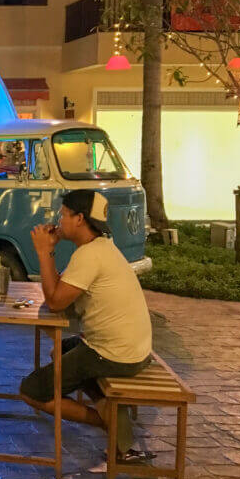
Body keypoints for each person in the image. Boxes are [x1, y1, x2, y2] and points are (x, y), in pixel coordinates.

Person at [19, 189, 154, 463]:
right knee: (62, 350)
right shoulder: (100, 248)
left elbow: (56, 302)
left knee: (31, 390)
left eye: (63, 213)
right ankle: (114, 421)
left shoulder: (89, 256)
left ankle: (109, 424)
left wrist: (44, 252)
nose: (59, 218)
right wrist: (51, 252)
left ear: (79, 219)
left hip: (114, 354)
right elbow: (62, 294)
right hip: (131, 349)